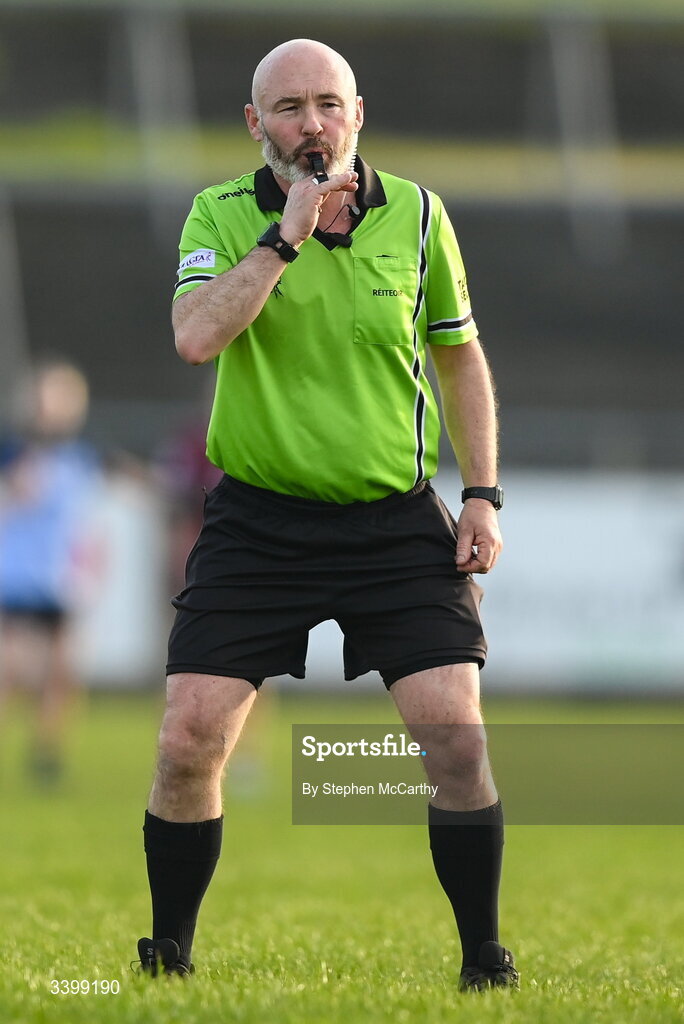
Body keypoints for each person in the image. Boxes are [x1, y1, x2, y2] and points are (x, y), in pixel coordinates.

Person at [136, 38, 518, 991]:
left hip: (393, 521)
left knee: (454, 736)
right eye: (289, 106)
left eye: (327, 104)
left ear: (358, 113)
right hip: (259, 522)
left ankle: (484, 962)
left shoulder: (423, 217)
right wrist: (284, 239)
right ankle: (169, 957)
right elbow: (195, 337)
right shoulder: (221, 215)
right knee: (188, 740)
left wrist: (479, 493)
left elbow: (460, 358)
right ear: (255, 123)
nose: (312, 124)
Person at [0, 359, 101, 783]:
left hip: (58, 579)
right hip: (15, 577)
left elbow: (85, 519)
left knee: (60, 672)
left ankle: (47, 750)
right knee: (9, 667)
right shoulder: (12, 452)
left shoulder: (81, 457)